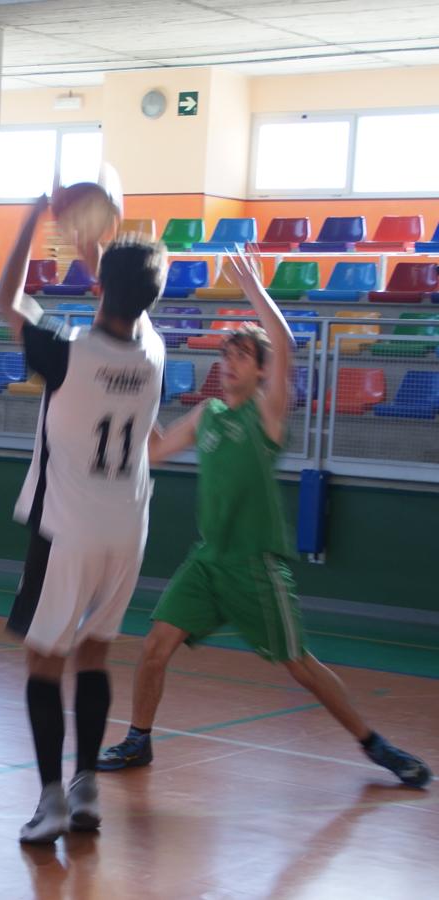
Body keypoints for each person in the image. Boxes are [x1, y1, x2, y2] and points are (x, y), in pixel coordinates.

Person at [98, 248, 433, 791]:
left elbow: (286, 346)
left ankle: (377, 745)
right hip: (208, 562)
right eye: (224, 356)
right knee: (155, 646)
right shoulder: (208, 414)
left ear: (259, 372)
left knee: (299, 664)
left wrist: (254, 290)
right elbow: (154, 451)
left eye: (240, 358)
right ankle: (139, 739)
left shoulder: (268, 415)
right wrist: (130, 392)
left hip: (254, 568)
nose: (227, 364)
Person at [0, 195, 167, 844]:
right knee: (95, 654)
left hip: (66, 527)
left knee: (44, 660)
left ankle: (50, 801)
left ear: (98, 287)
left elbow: (5, 298)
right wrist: (96, 245)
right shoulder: (154, 351)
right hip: (129, 527)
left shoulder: (66, 355)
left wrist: (32, 220)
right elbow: (126, 292)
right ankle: (87, 786)